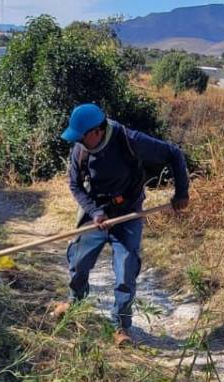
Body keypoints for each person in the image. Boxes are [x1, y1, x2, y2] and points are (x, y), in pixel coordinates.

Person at [60, 103, 189, 346]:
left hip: (128, 212)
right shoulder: (80, 149)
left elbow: (174, 154)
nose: (77, 142)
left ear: (97, 131)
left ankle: (121, 325)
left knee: (126, 268)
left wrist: (181, 193)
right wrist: (95, 212)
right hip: (96, 210)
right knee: (78, 260)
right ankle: (74, 302)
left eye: (81, 137)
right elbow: (75, 185)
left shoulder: (130, 140)